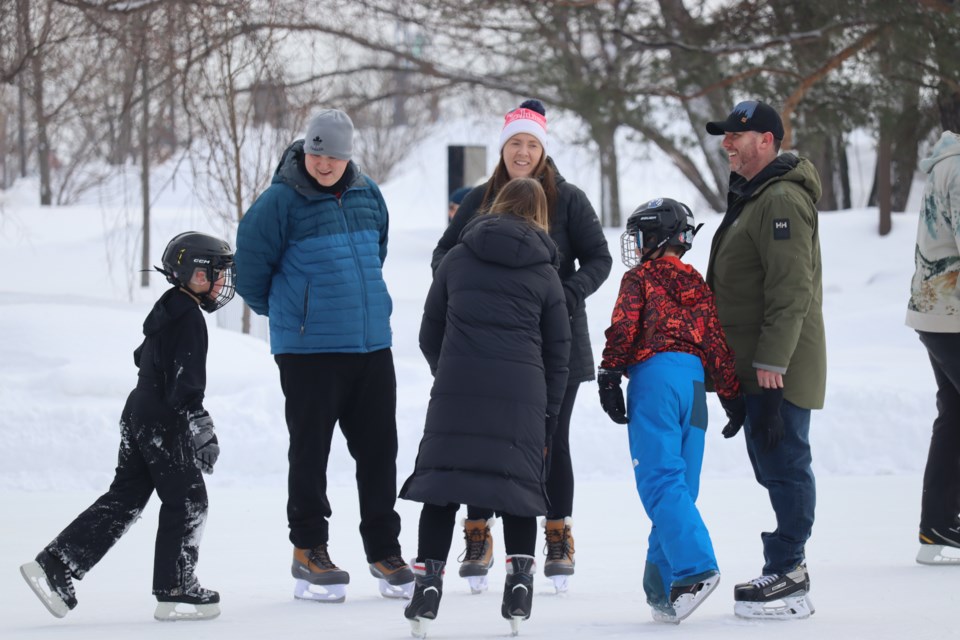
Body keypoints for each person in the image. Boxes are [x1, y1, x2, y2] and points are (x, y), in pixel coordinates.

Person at [431, 99, 611, 593]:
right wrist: (458, 294)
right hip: (485, 344)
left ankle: (557, 532)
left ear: (543, 148)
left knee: (552, 441)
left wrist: (565, 294)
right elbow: (445, 253)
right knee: (481, 440)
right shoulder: (480, 198)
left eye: (532, 144)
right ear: (503, 148)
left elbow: (600, 257)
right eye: (515, 143)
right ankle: (477, 532)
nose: (523, 152)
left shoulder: (568, 199)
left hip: (556, 345)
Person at [234, 109, 413, 603]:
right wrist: (292, 315)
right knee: (310, 453)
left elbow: (375, 251)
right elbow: (249, 270)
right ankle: (309, 549)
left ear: (348, 154)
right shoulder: (279, 202)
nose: (325, 163)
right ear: (304, 150)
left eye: (334, 154)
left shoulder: (367, 193)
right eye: (317, 153)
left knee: (379, 453)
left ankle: (384, 550)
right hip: (310, 352)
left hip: (371, 345)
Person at [19, 232, 237, 622]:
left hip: (139, 409)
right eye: (218, 272)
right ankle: (176, 589)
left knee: (126, 498)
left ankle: (55, 564)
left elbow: (143, 357)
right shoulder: (188, 317)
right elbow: (185, 380)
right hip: (164, 419)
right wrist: (200, 425)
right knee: (188, 500)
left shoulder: (169, 306)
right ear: (196, 274)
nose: (223, 282)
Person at [400, 177, 572, 637]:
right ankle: (518, 586)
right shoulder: (545, 273)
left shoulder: (457, 258)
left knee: (441, 488)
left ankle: (428, 586)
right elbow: (559, 353)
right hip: (522, 395)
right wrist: (549, 413)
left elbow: (428, 333)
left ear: (494, 206)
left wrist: (452, 371)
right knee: (516, 489)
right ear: (539, 216)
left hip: (458, 389)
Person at [704, 100, 825, 619]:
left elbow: (790, 290)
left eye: (739, 135)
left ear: (768, 141)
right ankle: (786, 566)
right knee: (772, 465)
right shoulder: (754, 197)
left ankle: (790, 571)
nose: (728, 142)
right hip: (757, 366)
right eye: (726, 135)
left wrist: (771, 368)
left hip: (780, 366)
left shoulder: (779, 200)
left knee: (786, 464)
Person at [596, 197, 743, 623]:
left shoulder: (639, 277)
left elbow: (624, 327)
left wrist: (609, 375)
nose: (637, 246)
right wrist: (731, 396)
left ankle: (695, 568)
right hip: (695, 385)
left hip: (655, 378)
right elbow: (715, 340)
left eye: (641, 236)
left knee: (660, 480)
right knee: (682, 486)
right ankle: (661, 586)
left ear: (659, 238)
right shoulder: (696, 282)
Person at [905, 129, 960, 566]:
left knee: (955, 414)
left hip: (938, 312)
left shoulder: (947, 163)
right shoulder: (959, 167)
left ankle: (939, 524)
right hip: (952, 314)